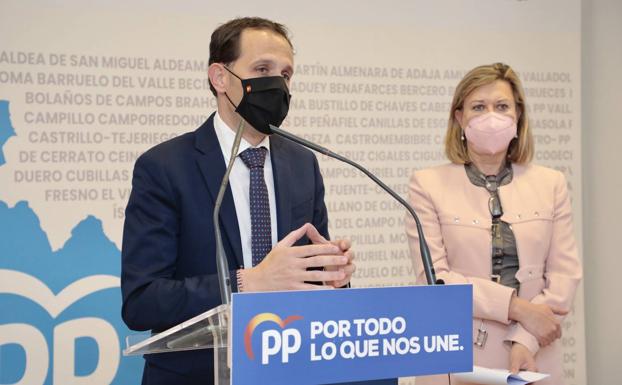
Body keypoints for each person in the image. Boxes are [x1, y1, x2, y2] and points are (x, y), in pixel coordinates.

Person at [121, 17, 357, 385]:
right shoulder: (164, 167)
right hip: (195, 374)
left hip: (290, 368)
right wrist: (247, 283)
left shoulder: (302, 162)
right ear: (219, 77)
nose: (277, 84)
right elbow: (143, 301)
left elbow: (307, 277)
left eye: (286, 74)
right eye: (262, 69)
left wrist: (331, 276)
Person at [406, 63, 582, 385]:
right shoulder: (427, 185)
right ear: (459, 117)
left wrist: (524, 338)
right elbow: (436, 281)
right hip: (454, 356)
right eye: (478, 107)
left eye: (501, 106)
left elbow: (564, 277)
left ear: (518, 116)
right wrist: (518, 308)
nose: (491, 116)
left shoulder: (551, 183)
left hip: (533, 354)